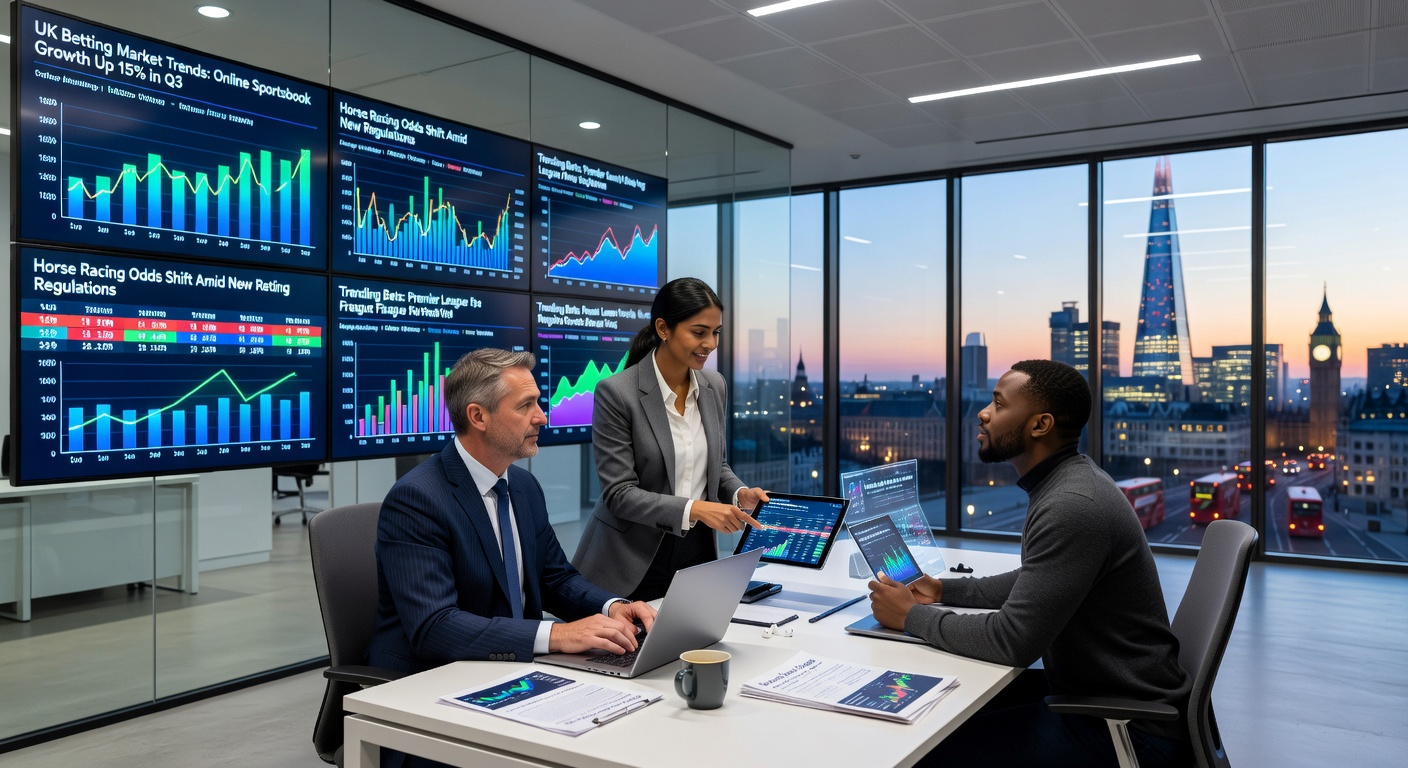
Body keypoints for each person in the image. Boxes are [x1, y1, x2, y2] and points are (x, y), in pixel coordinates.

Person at [867, 359, 1193, 768]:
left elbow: (1012, 641)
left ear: (1040, 425)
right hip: (1096, 697)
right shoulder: (1070, 481)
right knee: (935, 711)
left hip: (1129, 730)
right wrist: (943, 590)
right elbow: (1039, 577)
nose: (984, 413)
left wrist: (911, 616)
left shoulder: (1071, 504)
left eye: (1000, 405)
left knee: (922, 751)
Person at [367, 348, 656, 678]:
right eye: (525, 405)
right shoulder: (417, 499)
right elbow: (436, 626)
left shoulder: (522, 485)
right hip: (431, 677)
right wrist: (558, 635)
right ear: (478, 417)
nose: (542, 417)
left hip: (510, 665)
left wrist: (614, 607)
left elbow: (555, 579)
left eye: (538, 402)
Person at [573, 277, 769, 601]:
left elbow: (714, 464)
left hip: (696, 553)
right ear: (663, 329)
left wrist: (739, 493)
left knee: (697, 649)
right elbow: (619, 494)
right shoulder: (617, 393)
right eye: (699, 332)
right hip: (632, 558)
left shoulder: (714, 386)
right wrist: (697, 509)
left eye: (716, 332)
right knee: (628, 652)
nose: (711, 343)